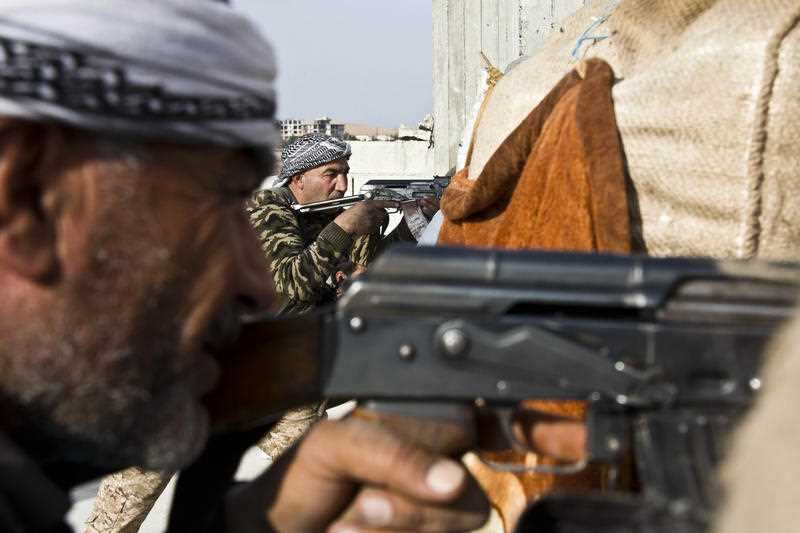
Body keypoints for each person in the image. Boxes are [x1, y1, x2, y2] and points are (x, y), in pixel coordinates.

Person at [0, 1, 489, 532]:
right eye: (213, 204)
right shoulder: (283, 218)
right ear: (26, 201)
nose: (250, 286)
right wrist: (342, 231)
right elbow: (286, 290)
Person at [248, 132, 427, 316]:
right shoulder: (268, 207)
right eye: (331, 174)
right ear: (299, 178)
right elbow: (292, 289)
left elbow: (371, 268)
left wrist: (414, 222)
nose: (343, 186)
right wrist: (344, 227)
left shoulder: (326, 212)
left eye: (345, 173)